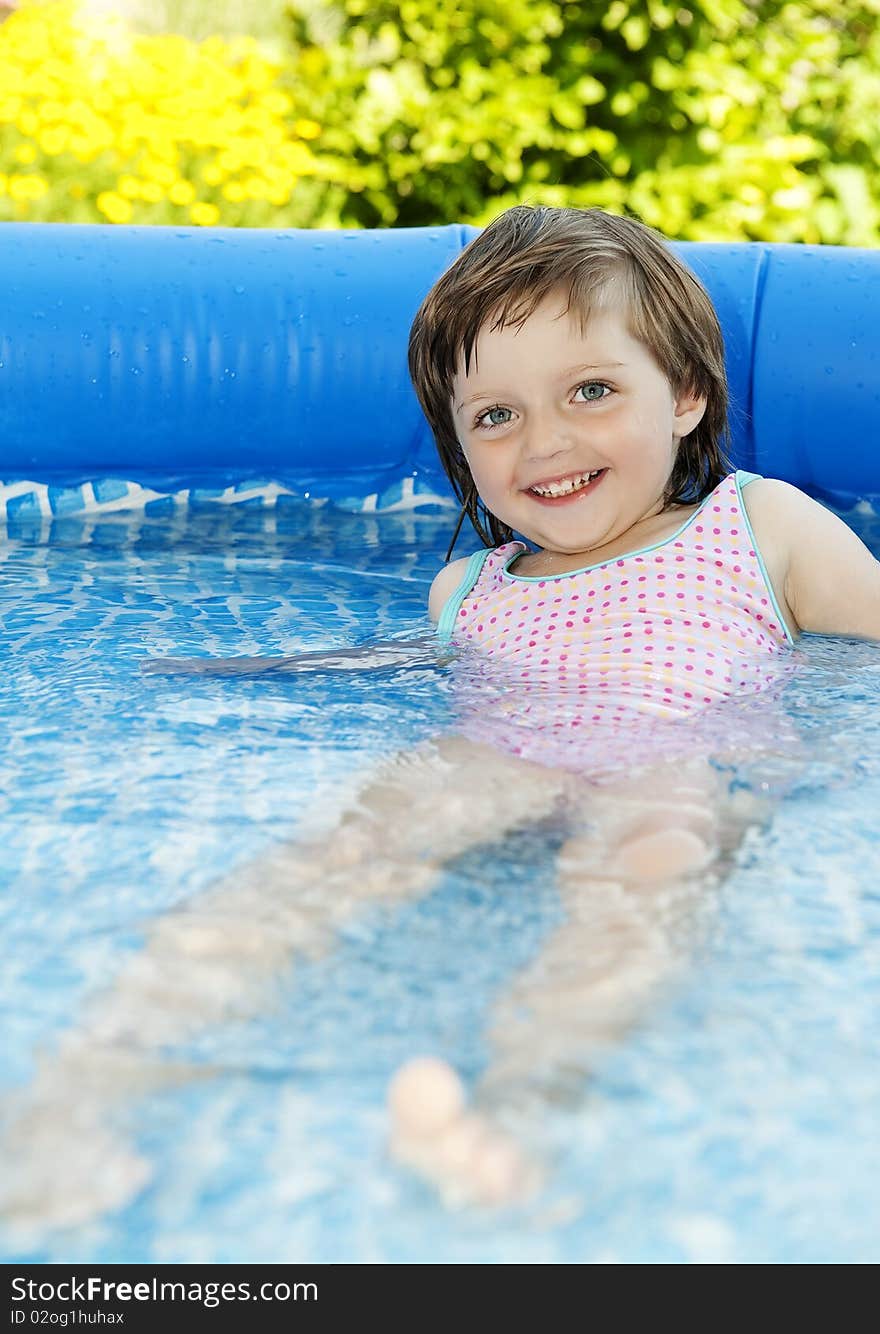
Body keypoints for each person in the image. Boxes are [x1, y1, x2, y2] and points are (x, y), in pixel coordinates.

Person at [4, 207, 880, 1230]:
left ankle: (512, 1111)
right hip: (502, 752)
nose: (545, 441)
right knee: (335, 853)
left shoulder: (759, 524)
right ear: (459, 444)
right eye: (494, 416)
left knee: (642, 867)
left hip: (676, 753)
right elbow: (428, 673)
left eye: (590, 391)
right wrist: (268, 670)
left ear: (685, 393)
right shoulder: (467, 584)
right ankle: (79, 1094)